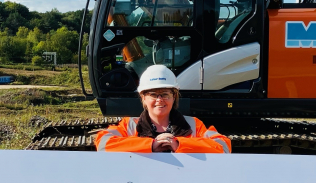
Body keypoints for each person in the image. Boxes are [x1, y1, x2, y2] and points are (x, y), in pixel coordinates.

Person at [95, 65, 231, 153]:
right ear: (143, 98)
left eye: (165, 94)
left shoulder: (193, 125)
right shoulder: (129, 125)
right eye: (153, 95)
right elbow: (102, 143)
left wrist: (179, 144)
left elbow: (223, 146)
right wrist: (150, 145)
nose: (159, 100)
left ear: (174, 96)